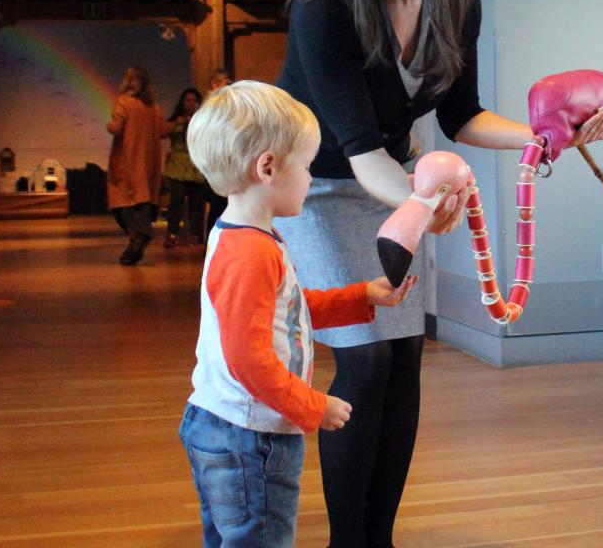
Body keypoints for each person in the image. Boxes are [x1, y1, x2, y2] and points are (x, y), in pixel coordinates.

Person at [275, 0, 603, 546]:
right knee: (366, 356)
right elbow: (359, 145)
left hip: (396, 184)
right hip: (316, 185)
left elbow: (461, 116)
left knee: (404, 360)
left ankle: (381, 537)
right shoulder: (323, 2)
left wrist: (547, 137)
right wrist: (421, 201)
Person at [178, 80, 419, 547]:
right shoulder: (251, 252)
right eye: (307, 167)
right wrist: (314, 406)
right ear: (267, 167)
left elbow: (288, 310)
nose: (311, 179)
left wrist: (360, 296)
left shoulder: (242, 234)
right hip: (251, 437)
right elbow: (249, 360)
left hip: (222, 426)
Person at [106, 64, 168, 265]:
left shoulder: (123, 103)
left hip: (127, 161)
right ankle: (136, 240)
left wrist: (109, 124)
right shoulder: (154, 107)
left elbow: (116, 128)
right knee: (142, 201)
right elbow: (162, 131)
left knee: (122, 203)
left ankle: (138, 235)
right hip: (148, 164)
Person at [162, 88, 208, 247]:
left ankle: (194, 234)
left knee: (197, 202)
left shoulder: (203, 119)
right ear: (182, 102)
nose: (191, 103)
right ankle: (172, 233)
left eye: (194, 100)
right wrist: (177, 122)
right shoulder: (176, 119)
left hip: (196, 164)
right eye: (187, 100)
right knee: (176, 200)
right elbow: (162, 132)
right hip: (177, 165)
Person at [203, 69, 233, 237]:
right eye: (225, 82)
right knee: (218, 202)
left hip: (219, 156)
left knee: (220, 202)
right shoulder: (213, 102)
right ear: (215, 83)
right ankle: (214, 236)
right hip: (216, 157)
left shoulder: (216, 102)